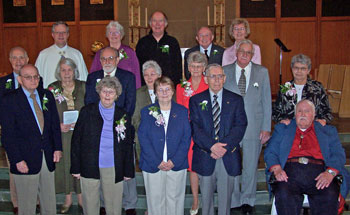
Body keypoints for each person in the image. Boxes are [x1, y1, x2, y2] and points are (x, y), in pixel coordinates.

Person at [264, 99, 350, 215]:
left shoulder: (327, 131)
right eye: (299, 111)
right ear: (295, 115)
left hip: (319, 173)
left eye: (307, 111)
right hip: (289, 173)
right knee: (283, 194)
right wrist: (277, 168)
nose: (303, 114)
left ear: (314, 115)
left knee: (329, 194)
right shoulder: (283, 129)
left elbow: (338, 154)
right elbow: (270, 151)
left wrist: (330, 172)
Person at [1, 64, 62, 215]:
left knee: (49, 202)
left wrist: (58, 148)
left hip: (47, 155)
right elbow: (8, 135)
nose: (33, 80)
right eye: (28, 77)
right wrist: (17, 159)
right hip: (24, 158)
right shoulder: (10, 100)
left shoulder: (46, 96)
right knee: (27, 205)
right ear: (20, 80)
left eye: (36, 76)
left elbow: (54, 125)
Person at [71, 76, 135, 215]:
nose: (107, 95)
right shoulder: (87, 112)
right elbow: (76, 140)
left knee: (113, 204)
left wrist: (128, 170)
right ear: (99, 92)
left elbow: (128, 145)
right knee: (90, 204)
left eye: (111, 92)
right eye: (104, 91)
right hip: (89, 164)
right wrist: (76, 167)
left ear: (117, 95)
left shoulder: (122, 115)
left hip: (113, 165)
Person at [189, 64, 247, 215]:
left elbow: (240, 126)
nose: (216, 80)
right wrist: (212, 146)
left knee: (225, 203)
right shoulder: (196, 100)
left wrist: (223, 148)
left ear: (225, 78)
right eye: (212, 76)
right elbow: (195, 128)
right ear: (206, 79)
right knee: (206, 202)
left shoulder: (236, 100)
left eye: (220, 76)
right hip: (206, 155)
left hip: (227, 155)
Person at [223, 39, 271, 214]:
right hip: (231, 128)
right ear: (236, 52)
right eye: (242, 51)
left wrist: (266, 127)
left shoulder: (262, 72)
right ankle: (234, 198)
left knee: (250, 164)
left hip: (254, 126)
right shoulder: (225, 71)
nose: (244, 54)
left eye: (248, 52)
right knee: (233, 164)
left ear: (252, 55)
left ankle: (248, 199)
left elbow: (267, 101)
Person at [138, 76, 191, 215]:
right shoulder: (146, 111)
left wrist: (174, 161)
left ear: (173, 91)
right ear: (155, 92)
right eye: (160, 90)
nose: (164, 93)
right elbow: (143, 139)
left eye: (167, 89)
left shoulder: (182, 111)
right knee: (155, 201)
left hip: (176, 164)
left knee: (175, 200)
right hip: (153, 164)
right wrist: (157, 161)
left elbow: (186, 139)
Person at [47, 57, 85, 213]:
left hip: (81, 134)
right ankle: (68, 197)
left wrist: (82, 123)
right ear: (59, 72)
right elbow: (47, 113)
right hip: (61, 134)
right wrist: (57, 126)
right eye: (63, 70)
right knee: (64, 163)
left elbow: (91, 108)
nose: (67, 73)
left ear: (74, 71)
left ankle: (82, 198)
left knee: (81, 162)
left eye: (69, 70)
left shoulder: (83, 86)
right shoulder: (52, 88)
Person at [176, 51, 208, 215]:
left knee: (206, 165)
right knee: (193, 167)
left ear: (204, 67)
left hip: (206, 132)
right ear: (188, 67)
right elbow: (180, 111)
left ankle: (207, 197)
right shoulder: (181, 87)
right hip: (188, 133)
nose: (195, 69)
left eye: (199, 66)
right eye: (192, 66)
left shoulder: (209, 84)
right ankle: (196, 200)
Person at [0, 47, 30, 215]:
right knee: (14, 170)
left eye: (21, 57)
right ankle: (17, 203)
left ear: (27, 59)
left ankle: (36, 201)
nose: (18, 61)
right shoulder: (3, 83)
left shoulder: (34, 79)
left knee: (34, 167)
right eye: (15, 58)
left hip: (32, 135)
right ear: (10, 60)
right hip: (13, 134)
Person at [273, 54, 333, 126]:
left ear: (308, 70)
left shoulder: (318, 88)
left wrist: (323, 120)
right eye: (296, 68)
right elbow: (276, 112)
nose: (299, 71)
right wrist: (281, 120)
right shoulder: (285, 88)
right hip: (289, 128)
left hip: (313, 128)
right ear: (291, 69)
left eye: (303, 69)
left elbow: (327, 111)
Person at [89, 21, 141, 89]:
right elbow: (93, 74)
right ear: (107, 35)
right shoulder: (100, 53)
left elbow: (136, 74)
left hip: (126, 90)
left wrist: (137, 91)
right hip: (105, 92)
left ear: (121, 35)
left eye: (116, 32)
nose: (113, 35)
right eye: (110, 32)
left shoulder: (129, 52)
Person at [35, 21, 88, 88]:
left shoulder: (76, 54)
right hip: (51, 95)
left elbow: (84, 78)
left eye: (64, 32)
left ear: (68, 34)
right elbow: (36, 78)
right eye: (57, 33)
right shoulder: (43, 55)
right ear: (52, 35)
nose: (61, 35)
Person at [85, 47, 136, 115]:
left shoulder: (128, 77)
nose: (107, 62)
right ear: (100, 61)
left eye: (111, 58)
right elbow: (88, 102)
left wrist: (120, 121)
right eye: (104, 59)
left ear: (117, 60)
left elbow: (130, 104)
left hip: (119, 121)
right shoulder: (92, 77)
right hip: (96, 120)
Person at [136, 11, 182, 86]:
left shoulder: (172, 42)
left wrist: (176, 87)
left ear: (165, 24)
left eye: (160, 21)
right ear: (150, 24)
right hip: (148, 86)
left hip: (167, 87)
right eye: (154, 21)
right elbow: (138, 66)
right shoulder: (142, 42)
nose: (157, 24)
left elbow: (178, 67)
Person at [132, 60, 162, 160]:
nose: (149, 78)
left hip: (164, 139)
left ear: (159, 75)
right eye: (146, 75)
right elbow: (135, 118)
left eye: (152, 74)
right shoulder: (138, 93)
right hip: (144, 140)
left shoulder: (167, 92)